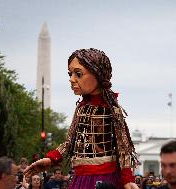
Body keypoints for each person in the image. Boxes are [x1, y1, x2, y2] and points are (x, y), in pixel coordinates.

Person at [24, 48, 138, 189]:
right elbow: (70, 142)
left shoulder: (112, 109)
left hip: (104, 178)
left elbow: (123, 147)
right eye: (70, 74)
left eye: (78, 74)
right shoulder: (81, 108)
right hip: (80, 177)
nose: (71, 79)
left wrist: (127, 178)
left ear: (98, 74)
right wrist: (51, 158)